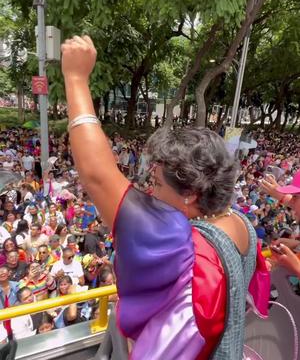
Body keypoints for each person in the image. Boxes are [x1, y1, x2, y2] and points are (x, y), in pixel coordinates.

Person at [61, 36, 268, 359]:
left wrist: (75, 78)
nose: (148, 193)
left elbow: (97, 173)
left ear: (191, 193)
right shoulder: (238, 223)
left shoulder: (177, 243)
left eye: (156, 184)